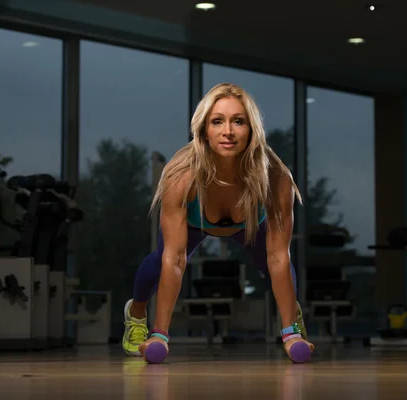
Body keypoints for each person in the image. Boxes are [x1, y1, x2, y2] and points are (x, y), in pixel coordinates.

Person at [122, 82, 315, 363]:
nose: (228, 131)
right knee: (159, 260)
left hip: (248, 223)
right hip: (196, 222)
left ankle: (293, 323)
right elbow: (175, 259)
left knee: (272, 263)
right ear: (203, 130)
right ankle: (136, 314)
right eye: (217, 121)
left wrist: (290, 336)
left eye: (238, 121)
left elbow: (278, 257)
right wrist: (159, 335)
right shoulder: (181, 175)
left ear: (251, 129)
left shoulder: (275, 177)